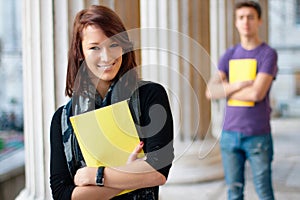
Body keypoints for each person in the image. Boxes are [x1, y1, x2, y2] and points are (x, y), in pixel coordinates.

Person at [50, 5, 174, 200]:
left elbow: (158, 172)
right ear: (80, 51)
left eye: (114, 44)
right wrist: (131, 174)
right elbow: (62, 194)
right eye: (94, 47)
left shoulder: (150, 96)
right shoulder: (63, 119)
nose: (107, 56)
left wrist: (96, 176)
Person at [206, 1, 278, 200]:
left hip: (258, 136)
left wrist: (225, 89)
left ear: (259, 21)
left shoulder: (267, 54)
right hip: (229, 135)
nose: (246, 21)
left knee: (264, 193)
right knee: (234, 193)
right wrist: (240, 85)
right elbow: (210, 91)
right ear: (236, 22)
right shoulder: (229, 55)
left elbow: (257, 94)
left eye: (250, 17)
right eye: (241, 17)